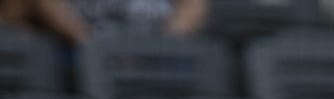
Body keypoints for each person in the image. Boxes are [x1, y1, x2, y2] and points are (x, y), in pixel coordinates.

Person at [19, 0, 206, 43]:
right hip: (82, 49)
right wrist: (88, 43)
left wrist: (167, 44)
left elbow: (193, 4)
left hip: (158, 47)